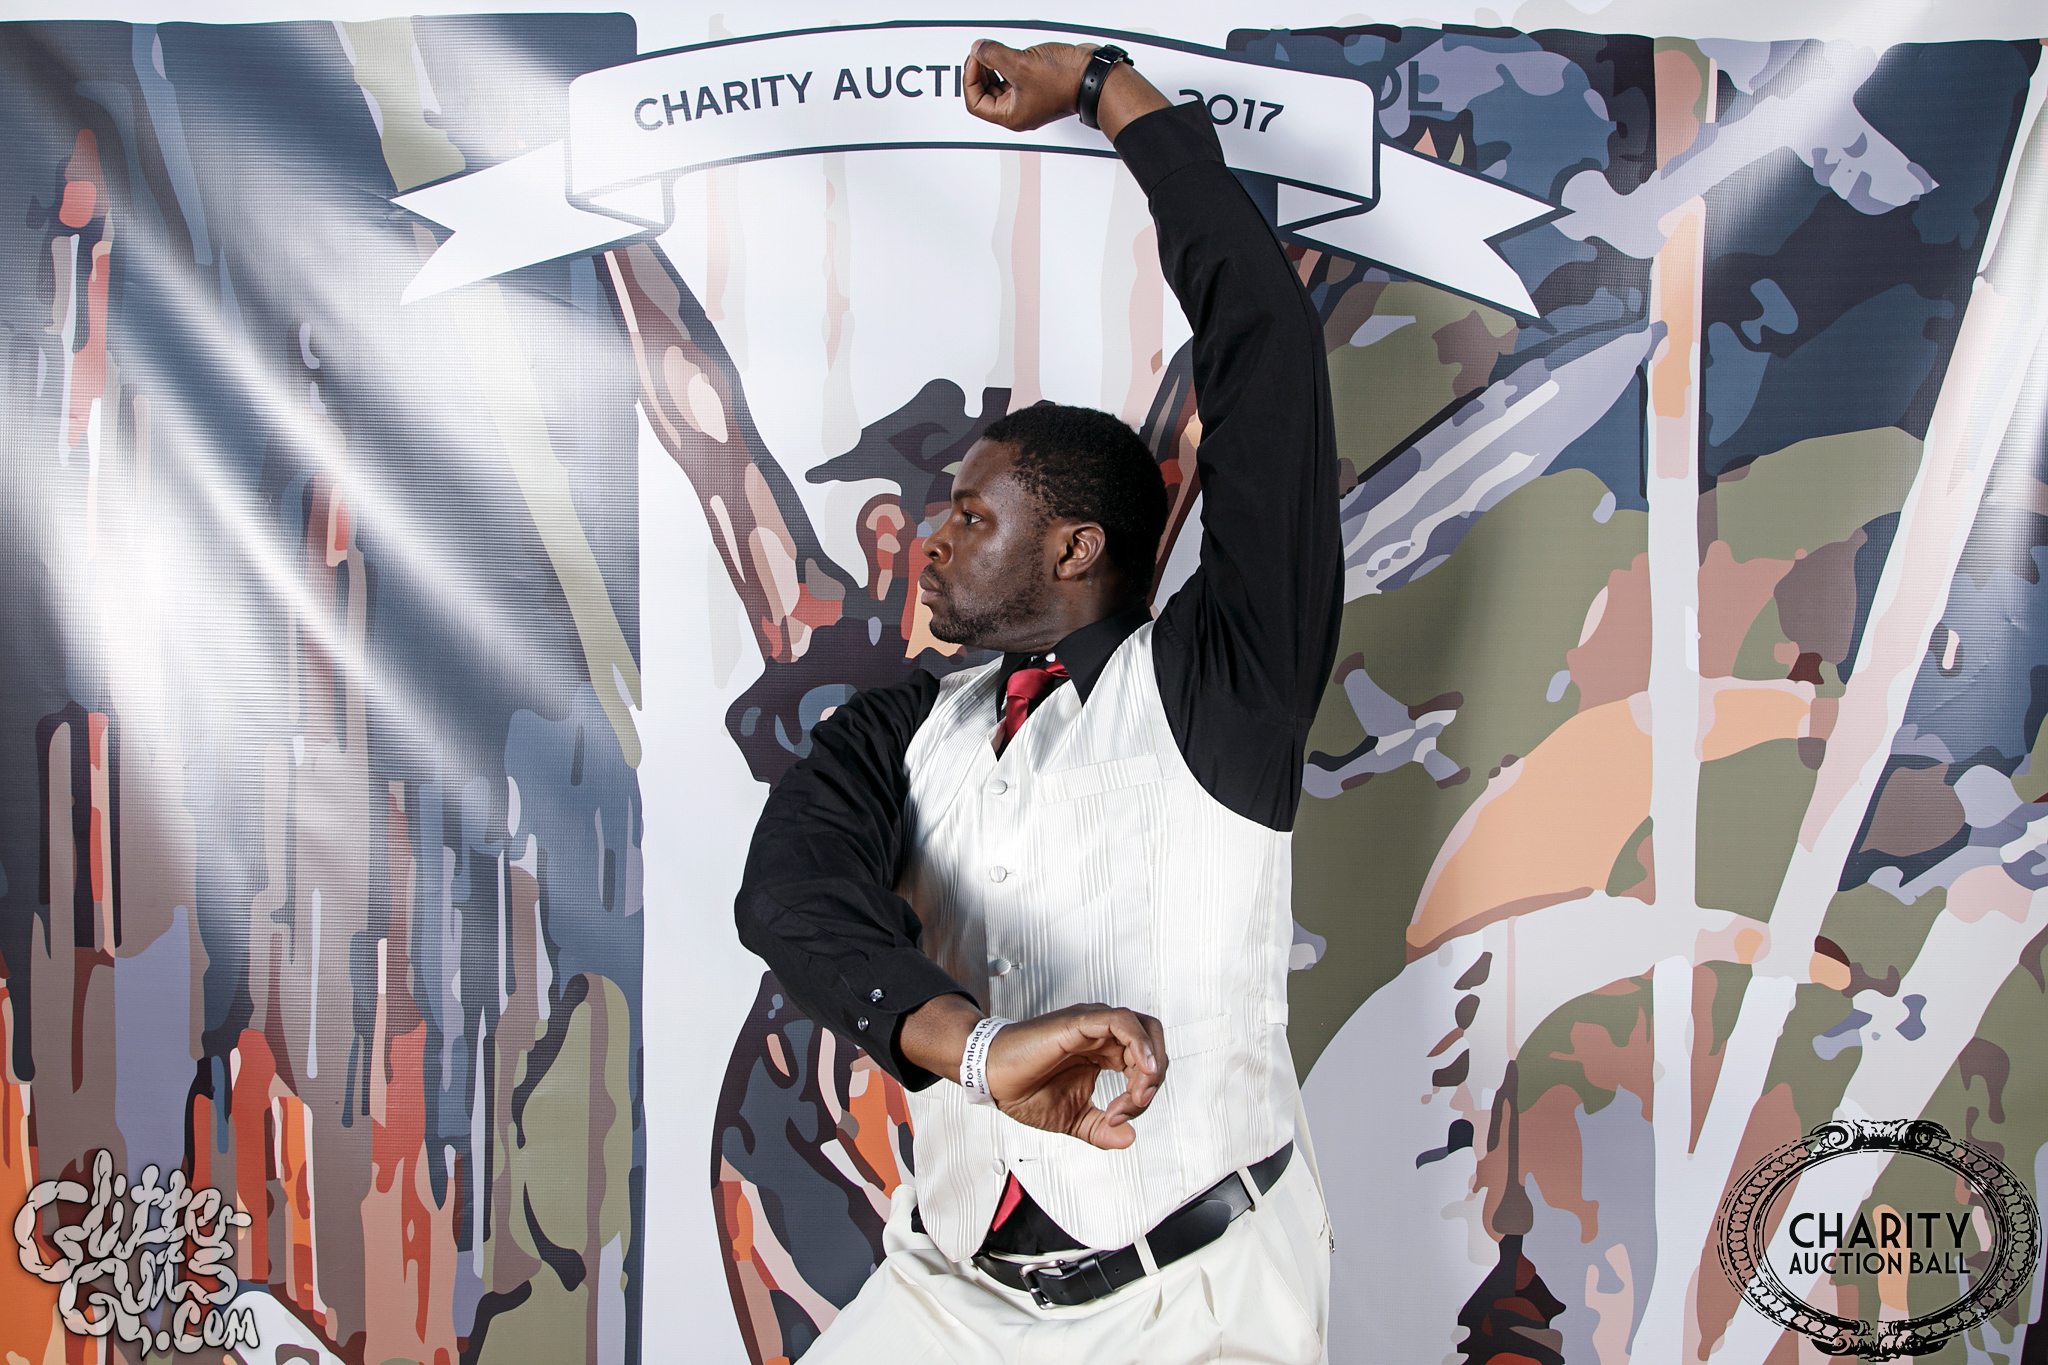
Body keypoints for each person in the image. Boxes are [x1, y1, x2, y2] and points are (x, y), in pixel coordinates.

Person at [733, 37, 1341, 1364]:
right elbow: (789, 894)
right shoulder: (896, 732)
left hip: (1196, 1297)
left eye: (971, 513)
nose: (931, 537)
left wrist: (1108, 90)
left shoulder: (1221, 684)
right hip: (952, 1288)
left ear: (1076, 548)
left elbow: (1267, 353)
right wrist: (973, 1045)